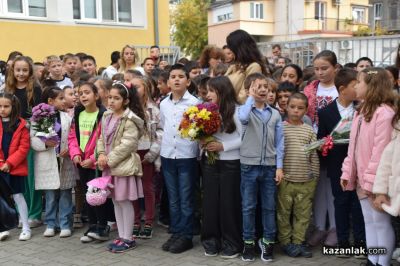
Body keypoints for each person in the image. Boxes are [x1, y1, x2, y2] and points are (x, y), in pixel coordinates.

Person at [341, 67, 396, 266]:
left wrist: (373, 182)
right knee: (369, 222)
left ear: (372, 86)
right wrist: (348, 171)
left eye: (360, 82)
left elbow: (380, 152)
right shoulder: (361, 112)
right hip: (363, 179)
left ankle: (383, 262)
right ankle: (373, 260)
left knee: (381, 223)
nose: (356, 85)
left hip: (376, 181)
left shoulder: (385, 114)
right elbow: (353, 148)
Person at [317, 68, 366, 254]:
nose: (358, 89)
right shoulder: (325, 112)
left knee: (358, 202)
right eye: (355, 85)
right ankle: (343, 241)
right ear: (343, 89)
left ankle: (361, 242)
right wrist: (324, 144)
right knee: (341, 201)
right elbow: (321, 138)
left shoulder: (361, 109)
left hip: (359, 163)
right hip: (337, 165)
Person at [239, 73, 284, 262]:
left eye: (266, 86)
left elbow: (280, 143)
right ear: (250, 89)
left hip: (269, 166)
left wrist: (279, 167)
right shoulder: (245, 109)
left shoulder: (275, 113)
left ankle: (267, 242)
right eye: (258, 86)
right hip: (249, 166)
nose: (263, 89)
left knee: (269, 207)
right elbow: (242, 119)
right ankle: (248, 242)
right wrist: (250, 97)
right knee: (248, 207)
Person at [96, 82, 145, 253]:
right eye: (110, 97)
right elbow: (101, 138)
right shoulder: (106, 116)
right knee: (116, 201)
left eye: (116, 98)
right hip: (108, 164)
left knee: (124, 201)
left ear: (125, 101)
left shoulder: (130, 119)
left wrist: (108, 159)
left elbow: (128, 145)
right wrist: (101, 155)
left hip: (122, 166)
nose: (111, 101)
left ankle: (128, 237)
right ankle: (122, 235)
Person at [200, 76, 243, 259]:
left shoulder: (237, 111)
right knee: (210, 204)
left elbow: (245, 138)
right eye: (206, 91)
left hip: (231, 163)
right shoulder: (204, 111)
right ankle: (211, 241)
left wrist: (223, 146)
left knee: (228, 204)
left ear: (222, 91)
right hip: (210, 162)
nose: (207, 95)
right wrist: (201, 139)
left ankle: (232, 243)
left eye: (211, 91)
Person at [160, 64, 200, 253]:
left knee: (186, 198)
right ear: (168, 82)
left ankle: (186, 235)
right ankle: (176, 232)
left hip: (186, 155)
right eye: (173, 77)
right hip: (168, 155)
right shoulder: (163, 103)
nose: (176, 79)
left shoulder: (194, 103)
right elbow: (163, 126)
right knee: (173, 198)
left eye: (181, 76)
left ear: (188, 81)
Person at [68, 81, 112, 243]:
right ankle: (92, 226)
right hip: (82, 162)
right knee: (88, 196)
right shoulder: (78, 114)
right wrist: (75, 154)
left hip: (96, 163)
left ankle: (103, 227)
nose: (83, 96)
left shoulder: (104, 115)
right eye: (80, 93)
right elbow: (72, 137)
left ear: (96, 95)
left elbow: (105, 141)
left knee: (98, 195)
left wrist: (92, 159)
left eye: (87, 92)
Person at [277, 93, 319, 258]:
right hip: (286, 180)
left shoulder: (309, 130)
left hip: (305, 181)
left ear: (306, 110)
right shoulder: (280, 127)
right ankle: (286, 243)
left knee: (303, 214)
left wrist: (314, 178)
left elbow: (314, 156)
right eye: (292, 107)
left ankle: (298, 241)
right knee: (283, 213)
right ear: (286, 107)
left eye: (300, 108)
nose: (296, 111)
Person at [304, 50, 339, 247]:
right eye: (316, 69)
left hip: (337, 145)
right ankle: (319, 228)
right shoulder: (309, 90)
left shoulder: (340, 89)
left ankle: (334, 228)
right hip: (315, 144)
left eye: (325, 68)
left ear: (335, 67)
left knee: (333, 188)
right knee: (317, 188)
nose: (320, 72)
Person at [31, 87, 75, 238]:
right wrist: (44, 144)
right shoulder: (38, 118)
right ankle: (50, 224)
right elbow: (33, 139)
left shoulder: (67, 118)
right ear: (50, 101)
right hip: (48, 161)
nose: (65, 101)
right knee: (50, 196)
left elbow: (72, 137)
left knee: (65, 194)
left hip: (64, 161)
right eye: (61, 98)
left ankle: (64, 224)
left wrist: (69, 149)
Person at [5, 56, 43, 228]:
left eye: (24, 70)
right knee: (16, 178)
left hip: (28, 135)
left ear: (30, 72)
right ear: (13, 71)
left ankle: (34, 214)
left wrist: (30, 125)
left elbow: (41, 114)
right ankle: (21, 213)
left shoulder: (35, 89)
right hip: (10, 136)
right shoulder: (8, 89)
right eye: (17, 70)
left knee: (30, 177)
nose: (21, 73)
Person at [130, 76, 162, 239]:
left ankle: (148, 221)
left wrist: (151, 155)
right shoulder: (127, 109)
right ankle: (135, 221)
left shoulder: (153, 110)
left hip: (147, 153)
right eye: (132, 87)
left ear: (146, 89)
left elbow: (159, 133)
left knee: (147, 187)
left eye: (138, 87)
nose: (135, 90)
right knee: (132, 188)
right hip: (130, 153)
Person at [0, 93, 31, 241]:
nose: (2, 109)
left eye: (6, 106)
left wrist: (10, 163)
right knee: (2, 198)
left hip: (15, 167)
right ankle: (3, 228)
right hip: (0, 167)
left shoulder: (21, 125)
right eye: (0, 106)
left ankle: (25, 226)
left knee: (18, 196)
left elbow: (23, 148)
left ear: (14, 107)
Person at [225, 30, 268, 103]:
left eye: (230, 46)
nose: (229, 49)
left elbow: (244, 97)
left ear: (238, 47)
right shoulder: (234, 66)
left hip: (238, 110)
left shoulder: (254, 67)